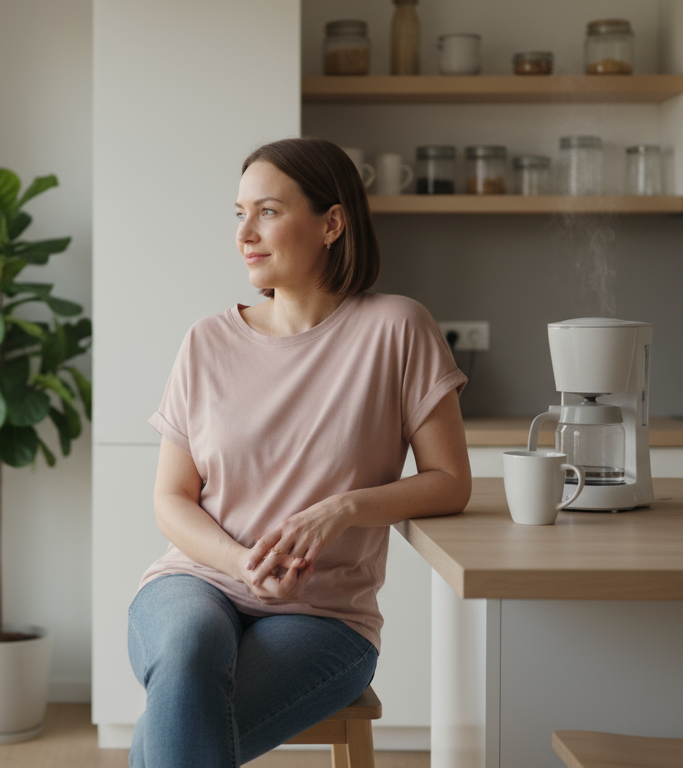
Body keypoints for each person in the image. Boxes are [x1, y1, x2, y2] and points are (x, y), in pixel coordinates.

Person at [127, 137, 472, 768]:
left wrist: (341, 509)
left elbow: (450, 481)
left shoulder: (397, 328)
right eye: (239, 214)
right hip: (197, 582)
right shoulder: (206, 340)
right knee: (186, 655)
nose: (245, 234)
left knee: (164, 737)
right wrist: (239, 562)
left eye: (267, 211)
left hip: (326, 616)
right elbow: (171, 500)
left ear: (332, 222)